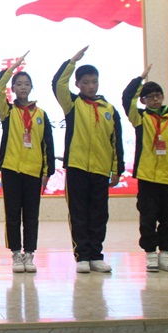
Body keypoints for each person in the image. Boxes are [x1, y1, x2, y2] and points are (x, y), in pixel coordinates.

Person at [52, 46, 123, 274]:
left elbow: (116, 142)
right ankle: (82, 255)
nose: (91, 86)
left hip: (101, 169)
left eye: (94, 82)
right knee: (79, 213)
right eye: (86, 82)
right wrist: (73, 60)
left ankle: (96, 255)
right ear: (78, 84)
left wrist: (116, 170)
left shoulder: (109, 109)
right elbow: (57, 83)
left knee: (99, 214)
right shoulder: (72, 104)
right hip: (77, 167)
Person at [122, 64, 168, 273]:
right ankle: (151, 254)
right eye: (150, 97)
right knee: (148, 217)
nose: (155, 99)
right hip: (148, 176)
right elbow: (127, 98)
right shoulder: (140, 117)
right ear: (143, 100)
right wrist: (139, 79)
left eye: (158, 95)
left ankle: (165, 254)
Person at [0, 52, 55, 273]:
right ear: (13, 88)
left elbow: (47, 144)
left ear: (31, 87)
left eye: (26, 84)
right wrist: (12, 68)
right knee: (12, 213)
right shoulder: (7, 111)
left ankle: (29, 253)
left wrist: (47, 172)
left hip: (33, 171)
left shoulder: (41, 114)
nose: (23, 87)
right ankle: (16, 253)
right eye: (18, 84)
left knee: (31, 215)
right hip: (11, 169)